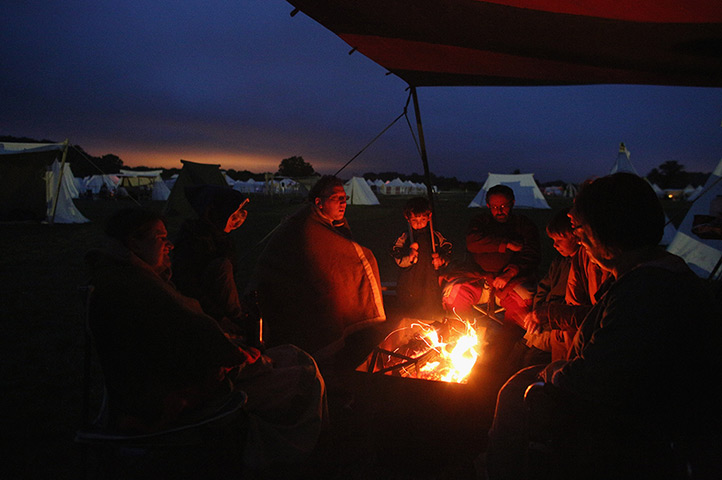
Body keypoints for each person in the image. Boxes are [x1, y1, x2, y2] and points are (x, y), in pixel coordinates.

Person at [483, 173, 722, 480]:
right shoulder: (644, 277)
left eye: (580, 230)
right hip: (633, 416)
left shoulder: (647, 291)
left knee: (519, 392)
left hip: (642, 436)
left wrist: (552, 372)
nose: (578, 238)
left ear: (607, 230)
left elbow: (596, 379)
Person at [85, 207, 327, 474]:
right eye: (159, 237)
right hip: (174, 396)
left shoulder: (127, 276)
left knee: (291, 356)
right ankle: (293, 452)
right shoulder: (138, 286)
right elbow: (195, 334)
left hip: (172, 379)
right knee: (304, 372)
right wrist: (235, 354)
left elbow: (183, 334)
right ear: (133, 242)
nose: (169, 245)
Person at [249, 175, 386, 367]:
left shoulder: (326, 222)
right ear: (318, 202)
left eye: (344, 198)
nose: (342, 203)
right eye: (336, 198)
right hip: (284, 296)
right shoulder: (307, 226)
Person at [441, 184, 541, 328]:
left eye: (503, 206)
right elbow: (473, 242)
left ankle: (507, 344)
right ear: (488, 205)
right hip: (480, 279)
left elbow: (532, 254)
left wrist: (510, 272)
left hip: (511, 281)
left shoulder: (523, 225)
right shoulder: (481, 222)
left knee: (522, 303)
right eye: (494, 207)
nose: (499, 211)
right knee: (454, 294)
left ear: (512, 203)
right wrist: (505, 244)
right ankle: (460, 335)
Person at [171, 185, 252, 338]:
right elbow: (187, 286)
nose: (238, 219)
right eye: (233, 214)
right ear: (215, 213)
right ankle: (237, 321)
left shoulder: (221, 238)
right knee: (222, 266)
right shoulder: (193, 240)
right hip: (203, 310)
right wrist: (220, 317)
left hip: (218, 305)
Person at [509, 207, 578, 371]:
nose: (554, 245)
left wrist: (544, 317)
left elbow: (573, 304)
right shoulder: (559, 262)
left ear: (576, 238)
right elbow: (543, 288)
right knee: (514, 356)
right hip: (541, 320)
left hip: (556, 327)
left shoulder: (581, 266)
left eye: (559, 241)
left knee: (529, 363)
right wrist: (536, 311)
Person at [390, 196, 452, 319]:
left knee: (430, 307)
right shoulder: (405, 237)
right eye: (414, 220)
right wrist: (409, 256)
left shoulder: (435, 236)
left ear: (429, 217)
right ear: (407, 218)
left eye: (423, 219)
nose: (419, 223)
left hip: (430, 280)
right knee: (410, 309)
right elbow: (396, 256)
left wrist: (441, 259)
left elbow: (448, 250)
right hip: (409, 281)